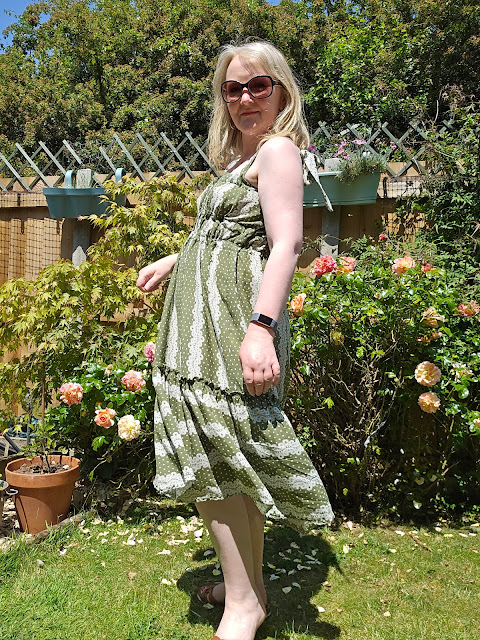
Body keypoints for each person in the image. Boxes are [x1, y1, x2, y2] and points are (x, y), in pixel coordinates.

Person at [136, 40, 334, 640]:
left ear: (281, 89)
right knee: (228, 462)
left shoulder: (277, 152)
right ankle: (248, 587)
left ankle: (244, 605)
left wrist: (260, 329)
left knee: (216, 459)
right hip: (200, 321)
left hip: (232, 324)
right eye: (233, 88)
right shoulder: (239, 159)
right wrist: (176, 259)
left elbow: (286, 245)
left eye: (258, 85)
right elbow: (230, 233)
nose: (245, 98)